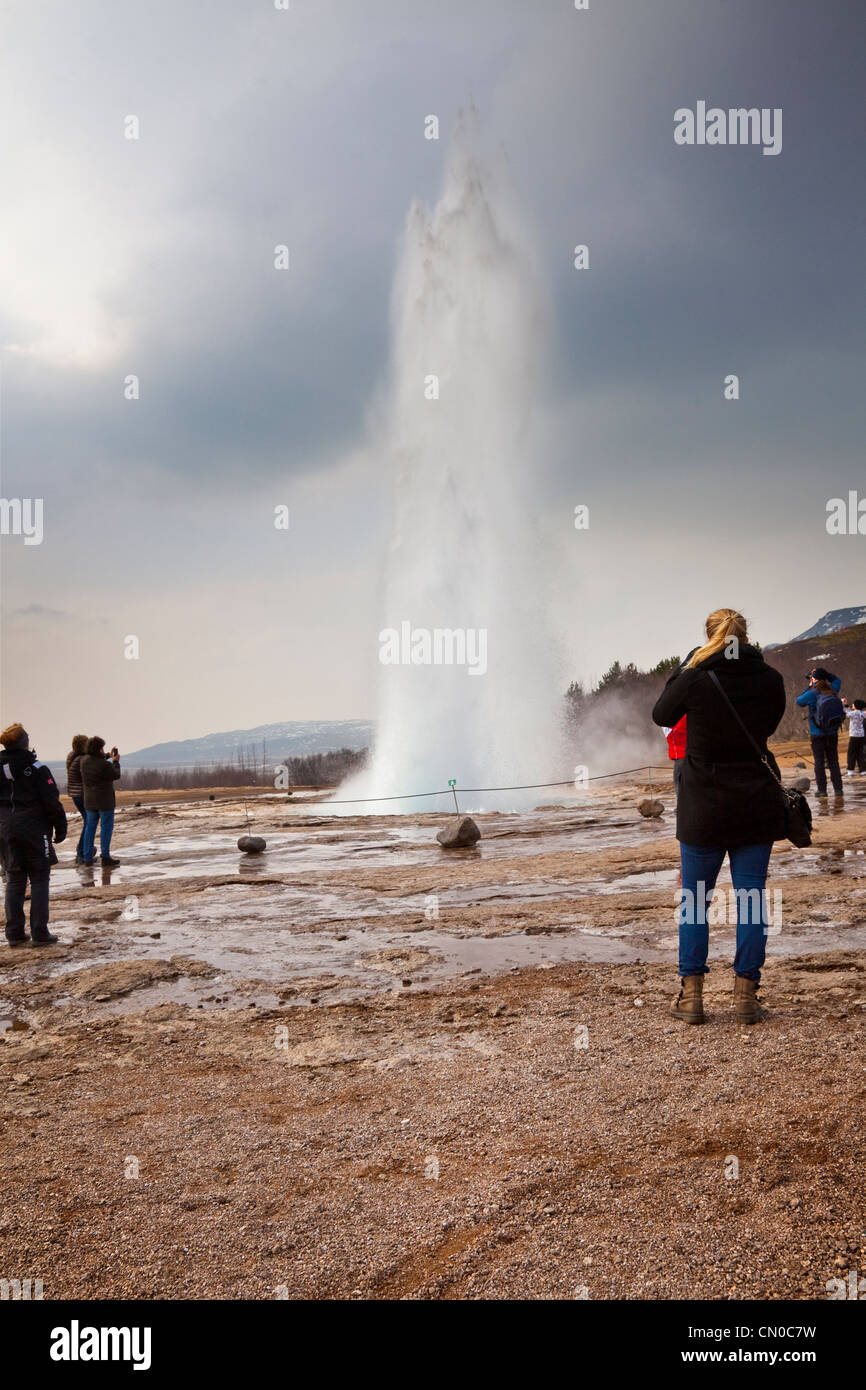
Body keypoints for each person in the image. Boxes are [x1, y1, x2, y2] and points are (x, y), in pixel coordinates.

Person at [652, 609, 787, 1026]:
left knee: (695, 898)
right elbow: (769, 726)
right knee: (751, 898)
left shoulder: (694, 676)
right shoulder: (770, 679)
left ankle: (691, 996)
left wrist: (690, 662)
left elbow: (662, 715)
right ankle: (746, 996)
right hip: (754, 802)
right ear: (746, 637)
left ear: (708, 638)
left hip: (702, 806)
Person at [0, 722, 67, 946]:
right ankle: (40, 932)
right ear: (24, 743)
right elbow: (51, 802)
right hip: (34, 828)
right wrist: (60, 826)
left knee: (14, 878)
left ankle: (15, 933)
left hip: (6, 828)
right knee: (39, 877)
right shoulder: (37, 768)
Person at [796, 667, 844, 797]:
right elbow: (837, 680)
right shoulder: (833, 689)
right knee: (834, 761)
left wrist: (810, 686)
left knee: (819, 762)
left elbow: (799, 701)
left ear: (815, 679)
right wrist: (824, 674)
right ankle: (838, 789)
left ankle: (822, 791)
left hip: (817, 733)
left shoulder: (813, 693)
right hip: (832, 731)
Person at [80, 737, 121, 866]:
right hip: (105, 801)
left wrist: (108, 755)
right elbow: (116, 775)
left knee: (90, 828)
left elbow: (96, 761)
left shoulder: (84, 761)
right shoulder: (105, 765)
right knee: (106, 828)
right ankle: (105, 856)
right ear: (99, 749)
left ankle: (87, 857)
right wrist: (115, 762)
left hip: (90, 801)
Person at [65, 733, 89, 863]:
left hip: (75, 794)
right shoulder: (81, 759)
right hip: (82, 794)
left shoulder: (72, 755)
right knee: (88, 822)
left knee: (87, 822)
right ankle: (81, 852)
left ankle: (83, 850)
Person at [842, 698, 866, 775]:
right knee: (860, 752)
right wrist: (846, 704)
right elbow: (849, 711)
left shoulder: (854, 713)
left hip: (854, 736)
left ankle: (850, 770)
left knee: (851, 752)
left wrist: (843, 705)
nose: (852, 704)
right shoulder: (863, 713)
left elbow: (846, 714)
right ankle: (863, 770)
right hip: (861, 735)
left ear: (856, 706)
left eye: (853, 704)